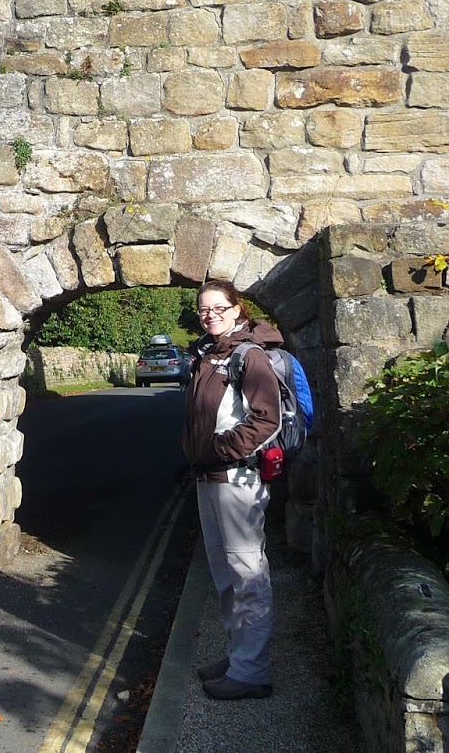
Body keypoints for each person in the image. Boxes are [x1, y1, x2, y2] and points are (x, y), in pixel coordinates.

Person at [180, 278, 283, 701]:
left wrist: (223, 448)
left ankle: (252, 671)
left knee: (247, 574)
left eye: (218, 308)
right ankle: (240, 656)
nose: (210, 316)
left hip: (237, 480)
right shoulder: (209, 354)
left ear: (237, 309)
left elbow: (267, 418)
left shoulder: (248, 355)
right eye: (204, 310)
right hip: (208, 477)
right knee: (225, 576)